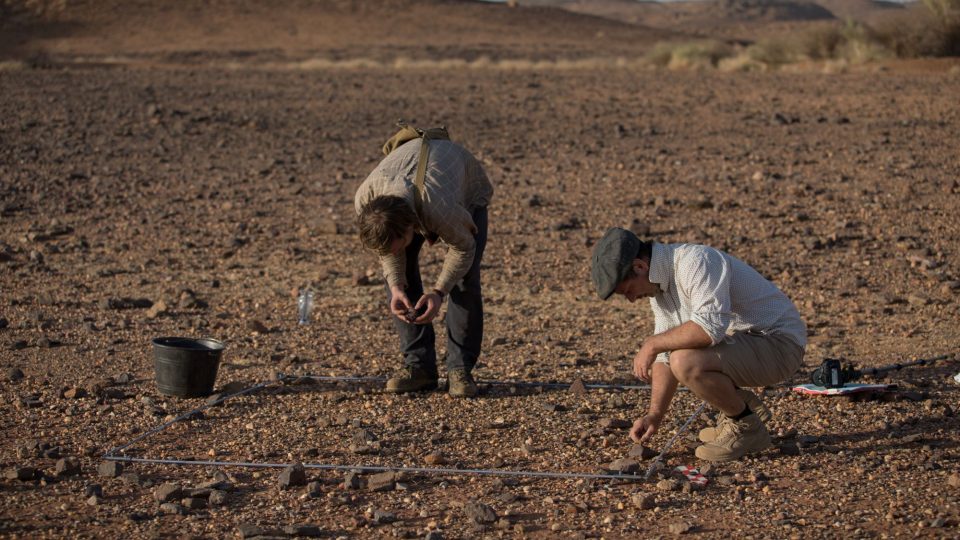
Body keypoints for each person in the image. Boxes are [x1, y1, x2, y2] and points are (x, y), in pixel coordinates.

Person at [590, 227, 806, 462]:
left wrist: (651, 344)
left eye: (629, 290)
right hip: (747, 344)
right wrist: (655, 415)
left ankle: (746, 426)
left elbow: (708, 328)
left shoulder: (696, 262)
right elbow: (664, 355)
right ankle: (737, 410)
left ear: (640, 266)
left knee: (685, 361)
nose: (632, 299)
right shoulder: (660, 285)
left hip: (779, 345)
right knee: (678, 355)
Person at [355, 131, 493, 398]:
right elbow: (389, 251)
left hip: (462, 185)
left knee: (464, 280)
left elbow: (464, 249)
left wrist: (439, 292)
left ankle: (460, 370)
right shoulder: (365, 200)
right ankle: (419, 369)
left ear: (412, 228)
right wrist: (396, 287)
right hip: (412, 189)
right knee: (397, 277)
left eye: (401, 244)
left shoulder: (439, 207)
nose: (395, 251)